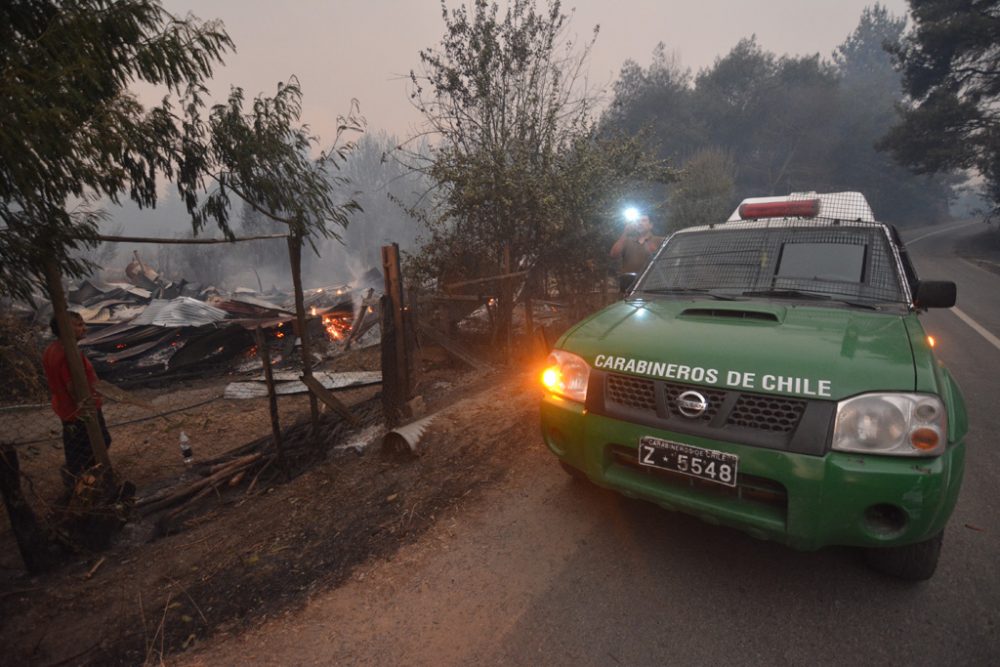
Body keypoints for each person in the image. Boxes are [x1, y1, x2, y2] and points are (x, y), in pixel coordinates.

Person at [43, 311, 111, 487]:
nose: (85, 328)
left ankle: (76, 477)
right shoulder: (68, 354)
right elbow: (73, 386)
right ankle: (86, 482)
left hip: (66, 410)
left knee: (75, 448)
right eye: (79, 325)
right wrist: (87, 406)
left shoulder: (52, 349)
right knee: (97, 443)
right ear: (65, 328)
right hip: (81, 411)